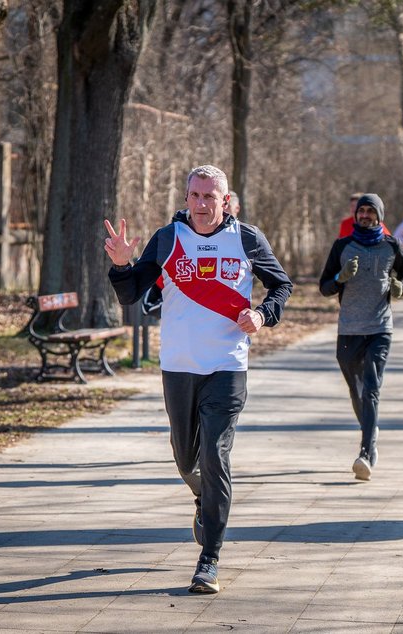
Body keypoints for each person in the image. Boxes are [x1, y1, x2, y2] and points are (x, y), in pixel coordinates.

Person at [104, 165, 292, 594]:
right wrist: (120, 265)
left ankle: (209, 560)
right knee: (185, 460)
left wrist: (261, 314)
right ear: (186, 198)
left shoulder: (246, 238)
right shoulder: (168, 239)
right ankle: (205, 502)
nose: (202, 204)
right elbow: (133, 292)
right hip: (178, 366)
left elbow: (282, 285)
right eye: (195, 196)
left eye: (211, 197)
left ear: (226, 201)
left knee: (215, 456)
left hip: (227, 366)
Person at [319, 193, 403, 481]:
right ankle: (370, 428)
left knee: (371, 388)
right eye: (362, 211)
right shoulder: (342, 246)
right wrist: (340, 279)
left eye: (371, 212)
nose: (365, 216)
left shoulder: (390, 245)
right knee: (356, 389)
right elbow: (324, 287)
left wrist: (401, 288)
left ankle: (366, 452)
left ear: (379, 216)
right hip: (349, 328)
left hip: (380, 327)